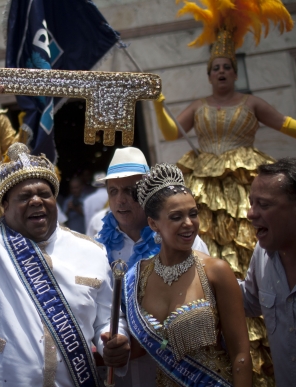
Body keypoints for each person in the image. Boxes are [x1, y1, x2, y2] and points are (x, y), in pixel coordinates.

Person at [0, 73, 130, 386]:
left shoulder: (92, 252)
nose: (37, 201)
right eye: (24, 196)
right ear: (4, 207)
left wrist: (114, 343)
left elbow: (107, 320)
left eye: (45, 194)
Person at [152, 4, 293, 381]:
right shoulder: (198, 106)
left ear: (234, 71)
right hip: (203, 184)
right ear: (209, 74)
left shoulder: (252, 103)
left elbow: (284, 123)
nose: (221, 73)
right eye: (215, 68)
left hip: (244, 182)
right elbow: (168, 133)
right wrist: (160, 106)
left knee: (252, 241)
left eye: (227, 67)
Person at [125, 163, 252, 386]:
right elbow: (138, 348)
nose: (189, 224)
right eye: (176, 217)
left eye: (193, 214)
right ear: (153, 224)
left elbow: (240, 353)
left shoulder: (216, 271)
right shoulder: (138, 277)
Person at [95, 147, 209, 387]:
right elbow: (100, 307)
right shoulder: (96, 244)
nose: (120, 200)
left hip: (178, 367)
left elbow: (203, 299)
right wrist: (115, 340)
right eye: (113, 191)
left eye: (129, 190)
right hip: (123, 374)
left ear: (147, 194)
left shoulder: (183, 236)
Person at [241, 158, 296, 387]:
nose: (250, 214)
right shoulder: (262, 254)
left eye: (263, 205)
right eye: (251, 203)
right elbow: (248, 301)